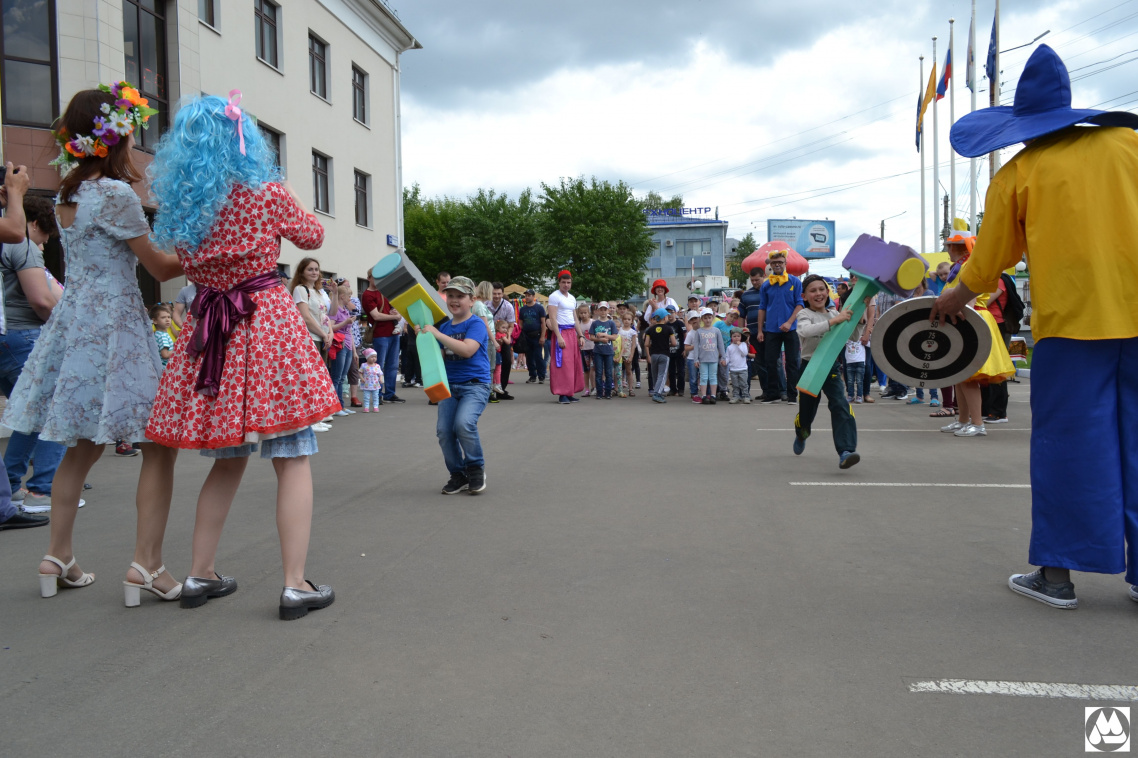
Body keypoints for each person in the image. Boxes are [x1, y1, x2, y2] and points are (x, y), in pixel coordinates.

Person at [932, 43, 1138, 608]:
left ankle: (1057, 576)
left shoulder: (1022, 171)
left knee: (1069, 446)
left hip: (1073, 329)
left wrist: (950, 301)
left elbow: (985, 263)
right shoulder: (1131, 145)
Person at [145, 93, 338, 619]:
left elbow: (180, 264)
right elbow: (313, 234)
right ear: (243, 138)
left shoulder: (185, 204)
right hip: (267, 326)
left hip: (211, 331)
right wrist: (289, 189)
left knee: (226, 460)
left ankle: (198, 574)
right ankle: (295, 585)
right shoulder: (265, 191)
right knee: (293, 456)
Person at [2, 83, 184, 601]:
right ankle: (146, 565)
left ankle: (56, 555)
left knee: (80, 445)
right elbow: (159, 266)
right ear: (115, 135)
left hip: (75, 323)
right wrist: (209, 245)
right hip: (117, 327)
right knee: (158, 444)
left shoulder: (68, 194)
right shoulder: (116, 194)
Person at [0, 195, 67, 513]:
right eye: (44, 237)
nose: (42, 245)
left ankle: (12, 485)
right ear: (36, 224)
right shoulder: (20, 243)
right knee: (55, 413)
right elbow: (41, 300)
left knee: (28, 417)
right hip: (25, 335)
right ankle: (40, 489)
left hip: (5, 336)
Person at [421, 276, 491, 495]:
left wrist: (437, 334)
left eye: (460, 296)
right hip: (449, 386)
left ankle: (475, 469)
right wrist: (424, 338)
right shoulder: (444, 326)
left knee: (463, 424)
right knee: (443, 431)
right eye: (450, 296)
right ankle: (458, 474)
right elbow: (440, 355)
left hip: (475, 385)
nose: (454, 300)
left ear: (472, 300)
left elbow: (467, 350)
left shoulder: (476, 323)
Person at [793, 275, 861, 469]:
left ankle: (846, 451)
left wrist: (860, 317)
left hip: (830, 367)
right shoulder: (804, 314)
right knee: (806, 414)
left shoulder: (834, 313)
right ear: (804, 296)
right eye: (813, 291)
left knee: (840, 404)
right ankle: (801, 432)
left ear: (827, 291)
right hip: (810, 368)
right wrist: (835, 321)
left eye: (821, 289)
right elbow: (806, 331)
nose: (818, 294)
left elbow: (853, 335)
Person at [756, 251, 803, 404]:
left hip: (791, 328)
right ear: (770, 265)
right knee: (770, 361)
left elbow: (800, 304)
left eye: (780, 262)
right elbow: (762, 307)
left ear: (785, 264)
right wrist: (760, 330)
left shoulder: (795, 282)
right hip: (771, 329)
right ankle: (773, 393)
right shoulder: (766, 285)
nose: (777, 265)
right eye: (774, 263)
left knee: (792, 362)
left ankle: (791, 395)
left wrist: (789, 322)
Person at [361, 270, 404, 404]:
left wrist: (397, 311)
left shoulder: (385, 291)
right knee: (378, 365)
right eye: (376, 277)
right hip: (380, 334)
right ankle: (377, 394)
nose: (379, 280)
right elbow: (376, 316)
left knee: (392, 365)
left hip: (393, 333)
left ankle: (389, 394)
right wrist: (395, 316)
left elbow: (394, 307)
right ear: (369, 278)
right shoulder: (367, 295)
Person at [547, 270, 583, 404]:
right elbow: (552, 318)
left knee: (573, 362)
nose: (566, 285)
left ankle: (570, 392)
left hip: (571, 332)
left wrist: (580, 336)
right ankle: (562, 393)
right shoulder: (554, 296)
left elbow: (575, 318)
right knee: (562, 364)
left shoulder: (572, 298)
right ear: (559, 283)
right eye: (563, 282)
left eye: (568, 282)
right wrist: (558, 336)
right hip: (561, 331)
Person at [686, 307, 725, 404]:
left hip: (713, 359)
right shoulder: (699, 332)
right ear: (702, 319)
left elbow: (720, 345)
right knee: (703, 377)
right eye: (705, 318)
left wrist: (723, 357)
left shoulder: (716, 331)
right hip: (702, 359)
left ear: (712, 318)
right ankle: (703, 396)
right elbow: (696, 347)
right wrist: (696, 359)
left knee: (713, 377)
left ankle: (713, 395)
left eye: (709, 317)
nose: (708, 320)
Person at [642, 308, 676, 403]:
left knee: (655, 374)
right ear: (664, 318)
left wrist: (655, 344)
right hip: (664, 354)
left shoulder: (650, 330)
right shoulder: (669, 328)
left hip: (654, 355)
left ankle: (656, 391)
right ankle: (657, 394)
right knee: (663, 375)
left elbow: (646, 344)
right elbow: (674, 343)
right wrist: (666, 344)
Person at [489, 282, 516, 396]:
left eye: (499, 293)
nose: (496, 296)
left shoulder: (508, 306)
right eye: (494, 293)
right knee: (490, 363)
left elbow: (511, 325)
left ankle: (502, 389)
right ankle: (489, 389)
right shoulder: (485, 305)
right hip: (489, 337)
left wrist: (506, 336)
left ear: (502, 293)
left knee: (507, 361)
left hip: (503, 338)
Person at [589, 301, 617, 399]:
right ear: (598, 311)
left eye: (605, 310)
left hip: (609, 351)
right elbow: (591, 337)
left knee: (609, 373)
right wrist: (600, 339)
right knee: (599, 372)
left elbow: (614, 337)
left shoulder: (611, 323)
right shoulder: (595, 323)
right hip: (598, 351)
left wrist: (604, 335)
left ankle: (608, 392)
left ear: (608, 310)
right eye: (601, 310)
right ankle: (599, 392)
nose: (603, 312)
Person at [518, 288, 546, 383]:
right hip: (526, 336)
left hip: (537, 334)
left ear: (533, 297)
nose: (527, 297)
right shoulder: (522, 309)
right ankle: (532, 376)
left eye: (529, 295)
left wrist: (542, 336)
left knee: (538, 356)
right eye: (526, 295)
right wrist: (520, 335)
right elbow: (521, 323)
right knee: (529, 357)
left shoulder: (539, 308)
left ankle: (541, 376)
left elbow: (543, 323)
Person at [725, 328, 751, 404]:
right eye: (734, 336)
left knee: (744, 384)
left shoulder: (743, 345)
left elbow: (744, 353)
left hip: (742, 369)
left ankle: (746, 396)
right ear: (731, 337)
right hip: (733, 369)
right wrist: (725, 362)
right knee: (735, 384)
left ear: (741, 337)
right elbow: (728, 357)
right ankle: (736, 396)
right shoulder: (729, 347)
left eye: (738, 336)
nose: (736, 338)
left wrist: (740, 345)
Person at [576, 302, 595, 397]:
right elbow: (577, 337)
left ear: (589, 313)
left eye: (585, 313)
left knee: (593, 368)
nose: (583, 315)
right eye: (581, 313)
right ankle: (587, 388)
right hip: (584, 349)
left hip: (594, 348)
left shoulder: (593, 322)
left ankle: (594, 387)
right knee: (586, 370)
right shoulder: (578, 324)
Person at [617, 311, 637, 397]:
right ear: (622, 320)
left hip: (628, 353)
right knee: (618, 371)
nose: (626, 321)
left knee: (629, 371)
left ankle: (630, 389)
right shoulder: (619, 330)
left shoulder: (633, 332)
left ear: (632, 321)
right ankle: (618, 388)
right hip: (619, 353)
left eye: (629, 319)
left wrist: (631, 355)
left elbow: (633, 344)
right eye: (625, 319)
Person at [359, 348, 383, 412]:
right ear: (367, 357)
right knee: (366, 397)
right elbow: (360, 372)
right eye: (372, 357)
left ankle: (375, 406)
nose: (374, 358)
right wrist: (362, 378)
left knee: (376, 397)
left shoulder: (377, 366)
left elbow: (380, 374)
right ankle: (366, 407)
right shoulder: (364, 365)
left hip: (375, 385)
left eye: (375, 357)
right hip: (366, 385)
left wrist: (380, 379)